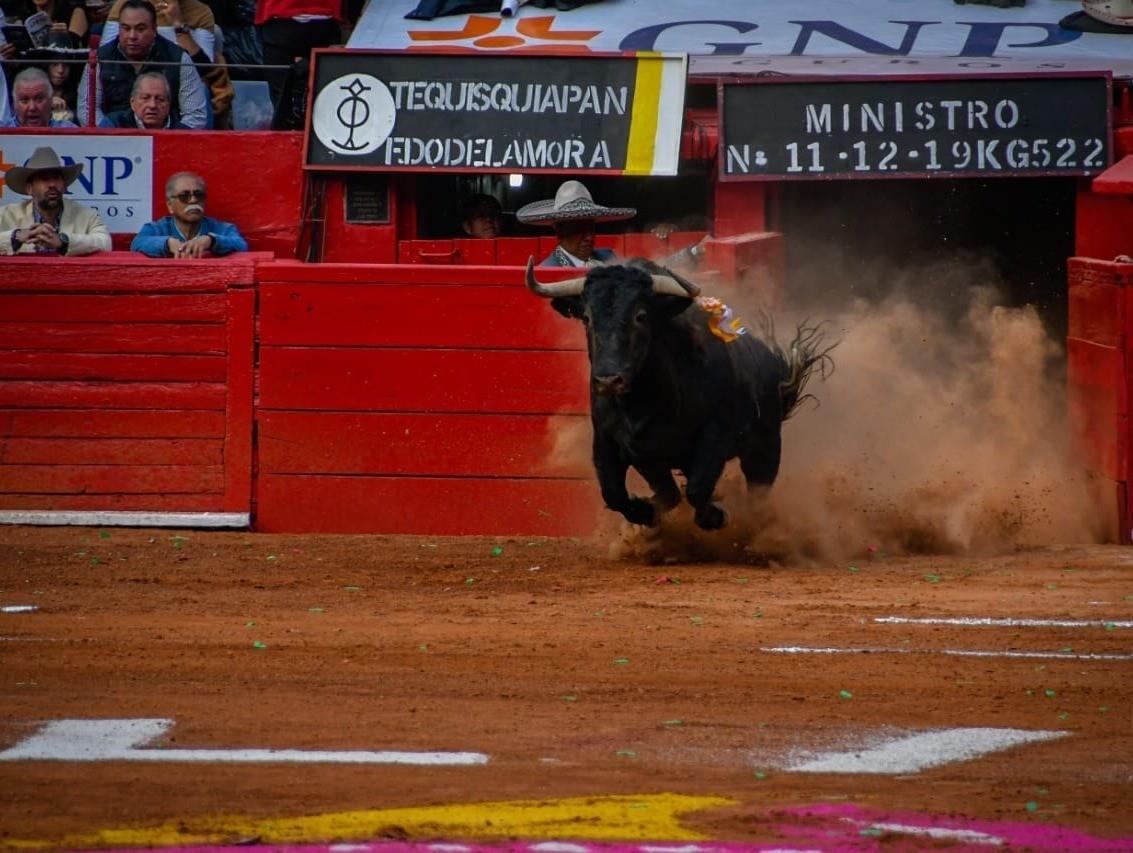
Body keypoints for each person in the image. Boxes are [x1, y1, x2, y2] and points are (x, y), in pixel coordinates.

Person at [76, 0, 208, 127]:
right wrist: (109, 136)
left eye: (140, 29)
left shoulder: (178, 58)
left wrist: (171, 140)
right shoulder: (99, 58)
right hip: (114, 140)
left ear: (154, 29)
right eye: (126, 28)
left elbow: (195, 115)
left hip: (167, 139)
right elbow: (87, 111)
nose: (132, 36)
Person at [0, 146, 111, 256]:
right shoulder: (6, 214)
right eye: (44, 178)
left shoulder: (87, 215)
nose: (52, 184)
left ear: (64, 185)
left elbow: (105, 243)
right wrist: (16, 237)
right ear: (30, 188)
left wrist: (63, 242)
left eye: (57, 178)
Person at [517, 180, 633, 267]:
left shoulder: (609, 258)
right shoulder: (547, 270)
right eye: (579, 229)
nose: (589, 237)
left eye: (591, 228)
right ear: (559, 231)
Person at [131, 171, 248, 257]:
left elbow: (241, 245)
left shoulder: (221, 228)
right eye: (184, 196)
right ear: (170, 206)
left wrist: (211, 241)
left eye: (199, 195)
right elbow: (137, 243)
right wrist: (168, 243)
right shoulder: (156, 229)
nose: (193, 200)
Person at [99, 70, 188, 126]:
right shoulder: (113, 125)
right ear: (132, 103)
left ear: (168, 104)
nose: (152, 105)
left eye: (160, 99)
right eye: (145, 98)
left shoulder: (184, 134)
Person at [0, 66, 78, 126]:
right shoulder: (3, 134)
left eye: (39, 99)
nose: (32, 107)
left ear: (51, 101)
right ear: (14, 104)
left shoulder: (71, 133)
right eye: (24, 100)